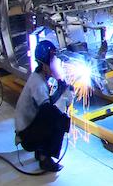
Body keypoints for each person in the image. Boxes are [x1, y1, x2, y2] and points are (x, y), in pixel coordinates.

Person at [14, 40, 74, 173]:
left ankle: (40, 150)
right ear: (43, 64)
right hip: (27, 137)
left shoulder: (38, 77)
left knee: (53, 115)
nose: (55, 63)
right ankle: (44, 158)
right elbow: (48, 110)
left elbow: (46, 103)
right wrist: (62, 91)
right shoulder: (38, 84)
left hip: (27, 129)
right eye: (52, 60)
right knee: (59, 119)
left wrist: (61, 88)